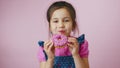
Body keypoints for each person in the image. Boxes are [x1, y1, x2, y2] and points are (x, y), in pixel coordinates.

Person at [38, 1, 89, 68]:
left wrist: (76, 55)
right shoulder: (45, 48)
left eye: (66, 20)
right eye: (55, 21)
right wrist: (50, 59)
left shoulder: (80, 44)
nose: (61, 25)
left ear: (73, 25)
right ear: (50, 26)